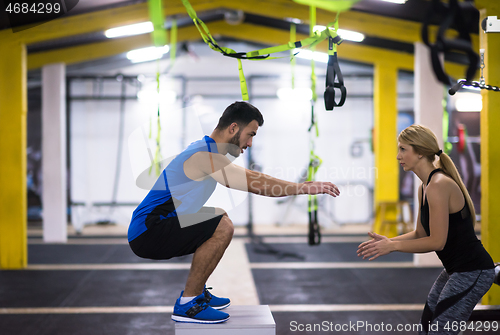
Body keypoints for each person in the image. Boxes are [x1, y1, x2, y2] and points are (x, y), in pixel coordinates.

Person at [128, 101, 340, 324]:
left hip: (153, 227)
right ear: (233, 128)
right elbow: (252, 181)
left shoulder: (205, 148)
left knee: (220, 215)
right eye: (250, 134)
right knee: (222, 225)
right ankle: (188, 304)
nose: (249, 143)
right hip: (148, 231)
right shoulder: (203, 155)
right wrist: (301, 187)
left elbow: (249, 176)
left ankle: (197, 293)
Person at [357, 124, 495, 335]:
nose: (398, 156)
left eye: (403, 149)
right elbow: (421, 234)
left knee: (440, 331)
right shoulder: (425, 186)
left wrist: (393, 246)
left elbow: (436, 242)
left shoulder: (439, 184)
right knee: (427, 326)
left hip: (473, 270)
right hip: (455, 270)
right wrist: (388, 241)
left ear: (420, 152)